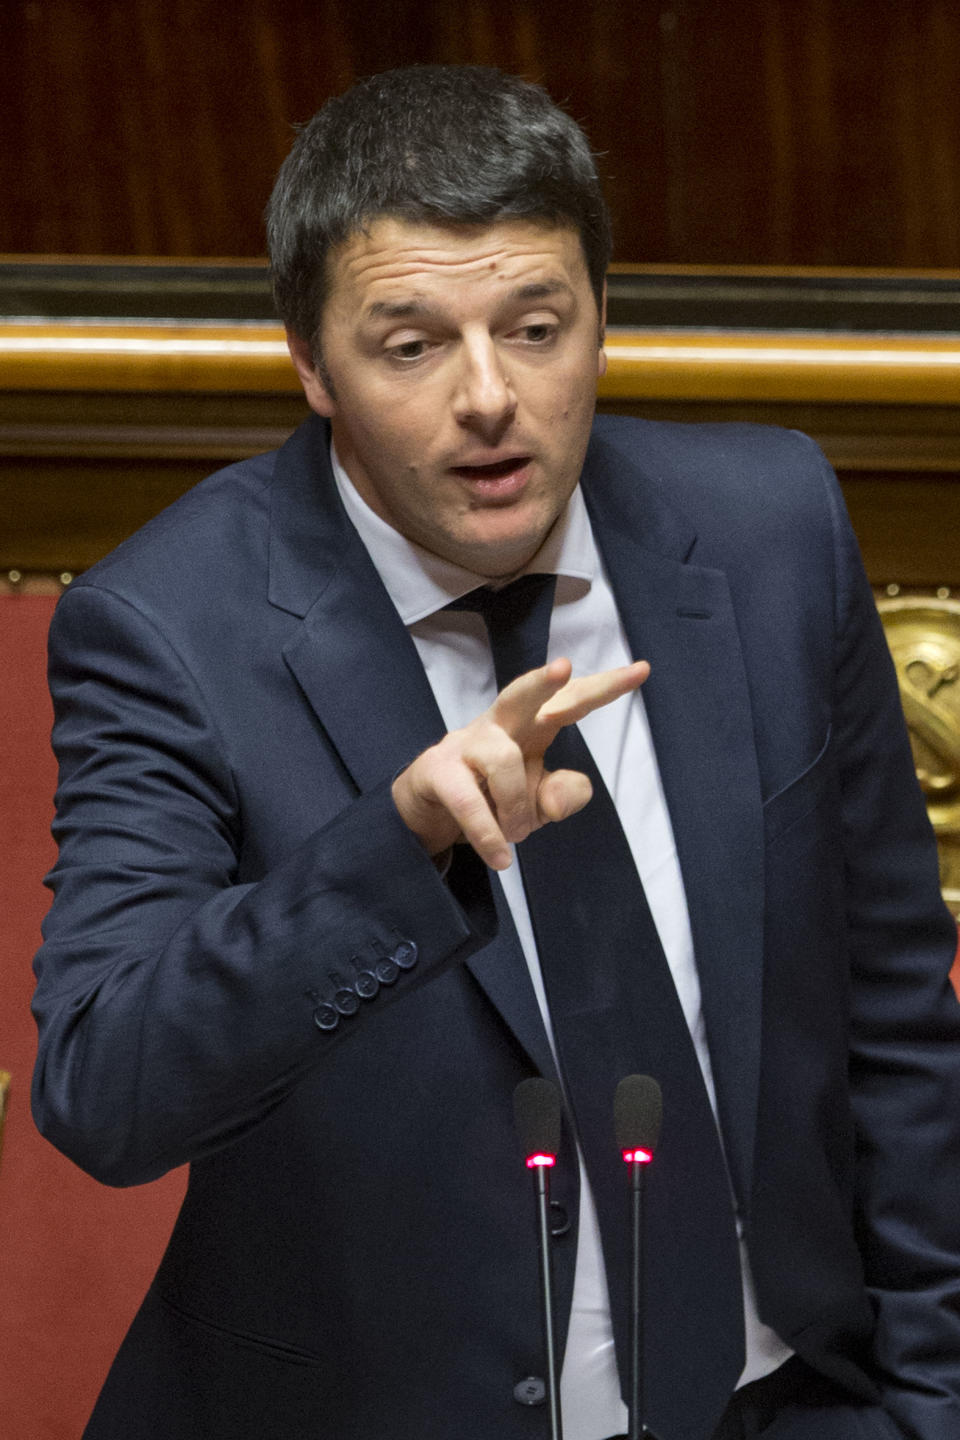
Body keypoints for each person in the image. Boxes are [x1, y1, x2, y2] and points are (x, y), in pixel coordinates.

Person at [31, 64, 960, 1440]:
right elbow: (105, 1092)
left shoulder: (769, 528)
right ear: (309, 361)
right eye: (410, 345)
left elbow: (896, 1021)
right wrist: (387, 851)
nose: (490, 398)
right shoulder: (169, 625)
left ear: (599, 316)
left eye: (538, 326)